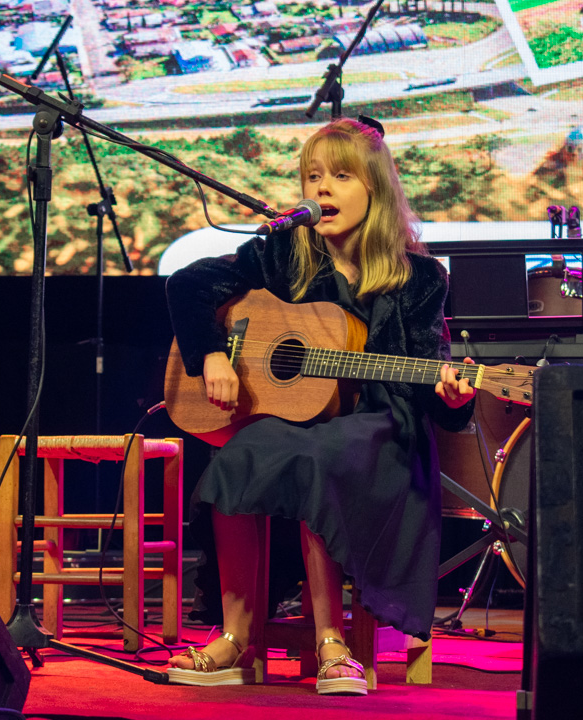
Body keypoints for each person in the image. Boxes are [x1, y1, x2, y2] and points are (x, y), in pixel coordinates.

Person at [164, 117, 476, 695]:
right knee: (241, 454)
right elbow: (187, 283)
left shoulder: (420, 278)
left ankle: (333, 642)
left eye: (339, 176)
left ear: (375, 190)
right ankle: (235, 638)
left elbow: (436, 390)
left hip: (382, 429)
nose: (322, 189)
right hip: (299, 424)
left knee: (316, 457)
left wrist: (455, 396)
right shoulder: (285, 253)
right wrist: (212, 356)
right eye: (313, 177)